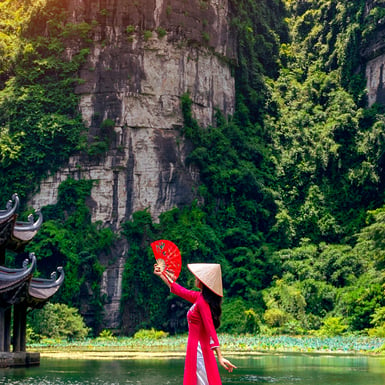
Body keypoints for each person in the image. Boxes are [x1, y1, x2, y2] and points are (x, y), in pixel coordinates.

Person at [154, 262, 237, 385]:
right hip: (194, 348)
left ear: (203, 282)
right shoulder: (199, 298)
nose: (196, 279)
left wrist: (220, 356)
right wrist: (162, 274)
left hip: (199, 350)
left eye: (198, 277)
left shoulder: (203, 303)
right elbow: (179, 290)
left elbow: (210, 329)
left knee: (201, 381)